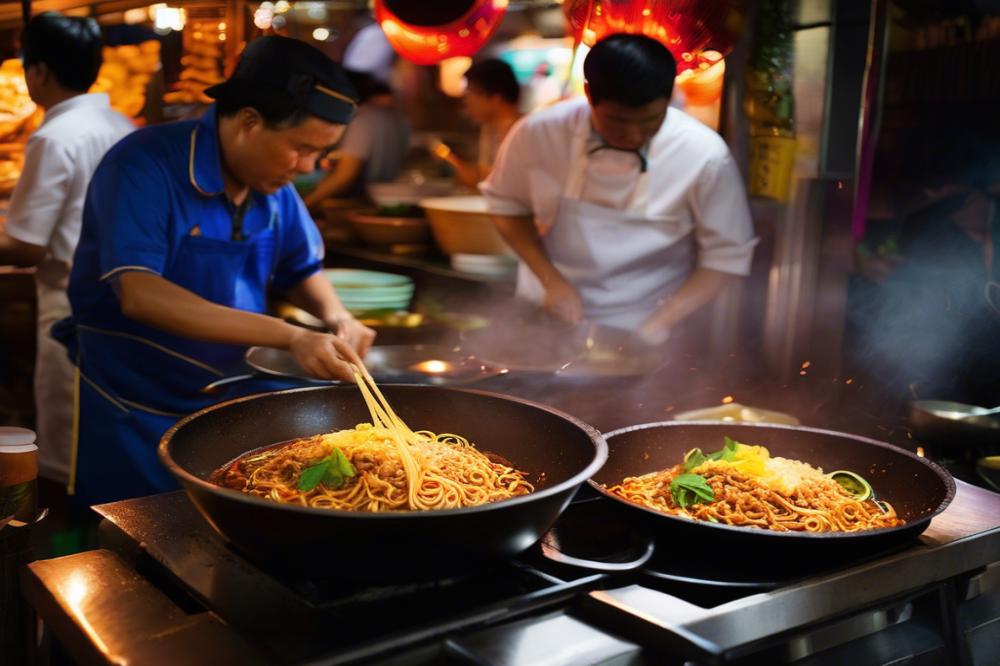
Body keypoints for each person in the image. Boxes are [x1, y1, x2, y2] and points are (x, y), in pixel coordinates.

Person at [56, 36, 375, 506]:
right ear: (249, 121)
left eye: (320, 152)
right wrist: (290, 336)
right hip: (137, 399)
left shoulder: (273, 185)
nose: (309, 167)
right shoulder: (143, 165)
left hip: (229, 394)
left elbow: (299, 267)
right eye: (301, 147)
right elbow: (140, 293)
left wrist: (337, 316)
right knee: (138, 535)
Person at [481, 34, 757, 344]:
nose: (633, 134)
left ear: (669, 99)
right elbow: (506, 206)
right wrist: (550, 280)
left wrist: (655, 326)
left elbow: (726, 257)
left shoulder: (704, 155)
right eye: (618, 121)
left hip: (646, 328)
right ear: (588, 94)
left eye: (651, 120)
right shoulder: (537, 133)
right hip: (543, 320)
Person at [0, 13, 134, 485]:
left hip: (71, 310)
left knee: (67, 443)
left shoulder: (55, 135)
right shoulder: (121, 124)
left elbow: (26, 246)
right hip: (125, 305)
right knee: (106, 435)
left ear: (38, 71)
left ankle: (67, 546)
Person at [302, 70, 410, 208]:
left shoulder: (362, 120)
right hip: (386, 200)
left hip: (359, 203)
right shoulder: (398, 119)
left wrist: (305, 205)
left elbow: (345, 176)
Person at [431, 58, 521, 189]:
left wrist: (451, 159)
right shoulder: (490, 129)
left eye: (470, 94)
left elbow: (498, 184)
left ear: (495, 98)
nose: (467, 103)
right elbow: (483, 179)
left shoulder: (521, 132)